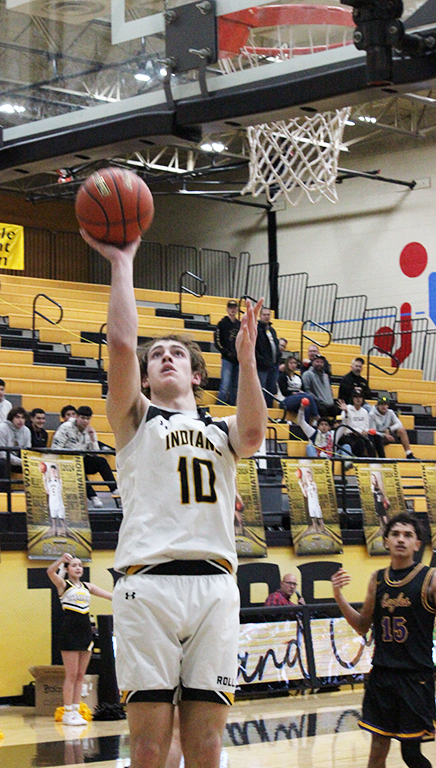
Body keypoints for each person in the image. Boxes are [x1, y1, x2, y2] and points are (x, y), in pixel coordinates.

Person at [80, 228, 267, 768]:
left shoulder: (222, 428)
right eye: (155, 354)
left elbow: (254, 435)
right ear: (145, 374)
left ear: (195, 372)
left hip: (214, 586)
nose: (164, 358)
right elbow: (119, 345)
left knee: (207, 745)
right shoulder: (136, 419)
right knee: (147, 746)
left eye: (175, 354)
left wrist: (248, 361)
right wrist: (122, 264)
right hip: (148, 586)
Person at [332, 513, 436, 768]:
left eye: (408, 535)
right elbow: (361, 626)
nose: (401, 539)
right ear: (386, 541)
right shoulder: (377, 579)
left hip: (415, 677)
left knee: (410, 754)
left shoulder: (430, 578)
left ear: (417, 543)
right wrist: (338, 595)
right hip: (382, 675)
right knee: (377, 751)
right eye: (396, 534)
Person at [46, 552, 112, 726]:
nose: (78, 568)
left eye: (80, 566)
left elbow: (111, 596)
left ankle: (76, 710)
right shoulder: (63, 585)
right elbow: (50, 572)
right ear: (67, 569)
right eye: (74, 565)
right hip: (70, 632)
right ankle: (67, 712)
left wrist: (129, 596)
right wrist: (61, 559)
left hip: (85, 633)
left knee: (81, 675)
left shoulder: (87, 586)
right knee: (71, 674)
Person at [51, 405, 117, 508]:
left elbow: (94, 453)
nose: (85, 421)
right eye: (82, 418)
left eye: (87, 419)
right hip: (66, 461)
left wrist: (93, 439)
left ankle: (114, 489)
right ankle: (93, 497)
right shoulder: (65, 427)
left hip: (82, 459)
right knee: (77, 466)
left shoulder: (89, 430)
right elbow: (55, 448)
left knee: (101, 461)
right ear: (77, 417)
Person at [214, 299, 241, 406]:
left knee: (235, 386)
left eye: (234, 308)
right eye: (230, 307)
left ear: (237, 309)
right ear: (227, 309)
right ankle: (220, 407)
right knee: (225, 385)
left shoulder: (240, 325)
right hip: (227, 359)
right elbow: (217, 341)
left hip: (238, 360)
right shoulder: (222, 324)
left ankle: (233, 407)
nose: (232, 310)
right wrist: (226, 352)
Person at [337, 388, 376, 457]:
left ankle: (376, 460)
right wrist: (346, 412)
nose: (358, 399)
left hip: (361, 434)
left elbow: (366, 426)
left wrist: (365, 431)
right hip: (349, 435)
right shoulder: (347, 408)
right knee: (360, 441)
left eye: (360, 397)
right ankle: (359, 460)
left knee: (376, 438)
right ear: (352, 398)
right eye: (356, 397)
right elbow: (344, 424)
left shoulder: (364, 411)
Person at [278, 356, 319, 420]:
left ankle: (304, 427)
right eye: (291, 363)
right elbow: (284, 392)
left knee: (306, 408)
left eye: (294, 363)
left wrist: (299, 393)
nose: (293, 365)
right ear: (287, 364)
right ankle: (316, 416)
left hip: (299, 398)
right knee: (307, 396)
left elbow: (303, 389)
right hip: (285, 400)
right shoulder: (282, 376)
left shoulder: (298, 377)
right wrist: (294, 393)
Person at [0, 405, 31, 487]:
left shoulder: (26, 431)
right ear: (11, 418)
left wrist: (25, 461)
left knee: (35, 466)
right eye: (17, 417)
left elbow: (27, 451)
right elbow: (2, 454)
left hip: (16, 460)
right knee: (2, 464)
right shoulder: (2, 428)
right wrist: (21, 462)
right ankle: (4, 493)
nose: (20, 420)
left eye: (23, 418)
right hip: (3, 459)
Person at [255, 306, 280, 407]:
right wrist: (262, 361)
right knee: (262, 389)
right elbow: (255, 348)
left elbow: (276, 345)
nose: (266, 317)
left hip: (273, 365)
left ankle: (269, 409)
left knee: (271, 389)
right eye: (264, 315)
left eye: (268, 315)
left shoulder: (272, 330)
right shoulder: (257, 330)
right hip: (262, 366)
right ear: (260, 316)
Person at [302, 354, 339, 418]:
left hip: (329, 404)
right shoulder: (307, 374)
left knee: (341, 411)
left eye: (321, 362)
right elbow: (307, 390)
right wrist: (318, 400)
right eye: (317, 362)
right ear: (312, 363)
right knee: (322, 411)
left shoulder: (325, 376)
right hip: (317, 403)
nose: (319, 364)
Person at [41, 461, 67, 537]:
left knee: (62, 519)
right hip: (52, 503)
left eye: (54, 470)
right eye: (52, 470)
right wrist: (44, 475)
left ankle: (65, 532)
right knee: (53, 519)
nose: (53, 471)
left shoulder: (59, 481)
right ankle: (54, 532)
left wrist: (56, 468)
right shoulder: (49, 482)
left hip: (59, 503)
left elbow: (59, 478)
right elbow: (47, 490)